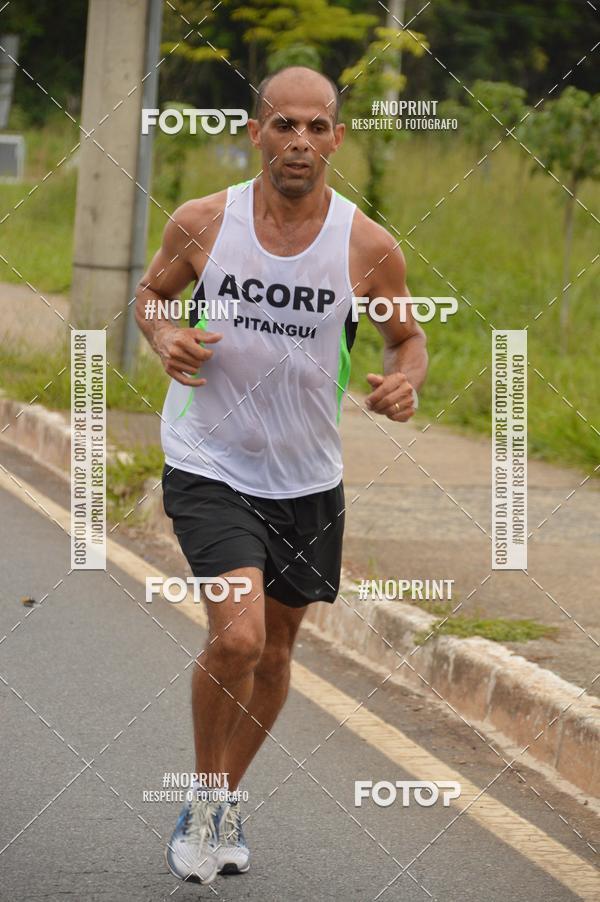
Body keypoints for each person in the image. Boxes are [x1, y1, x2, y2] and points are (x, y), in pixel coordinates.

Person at [135, 65, 428, 885]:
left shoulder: (367, 245)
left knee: (277, 652)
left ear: (337, 137)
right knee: (239, 636)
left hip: (306, 478)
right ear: (257, 131)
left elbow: (406, 338)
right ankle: (203, 796)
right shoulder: (204, 222)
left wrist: (407, 379)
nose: (299, 141)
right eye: (283, 125)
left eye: (317, 127)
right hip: (210, 460)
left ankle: (226, 797)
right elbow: (153, 296)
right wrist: (164, 339)